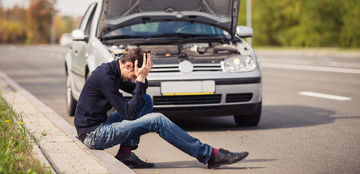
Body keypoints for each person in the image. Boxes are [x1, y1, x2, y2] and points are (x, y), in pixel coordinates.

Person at [74, 47, 249, 169]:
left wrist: (142, 77)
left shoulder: (115, 71)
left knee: (146, 101)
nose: (134, 80)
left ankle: (125, 154)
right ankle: (210, 155)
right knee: (157, 120)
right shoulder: (106, 78)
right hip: (94, 135)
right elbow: (129, 113)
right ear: (128, 65)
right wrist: (140, 79)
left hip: (99, 125)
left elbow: (139, 93)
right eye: (134, 75)